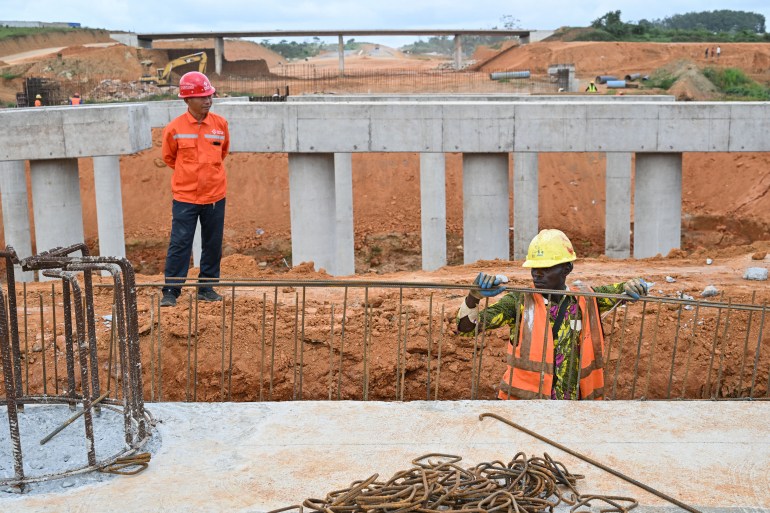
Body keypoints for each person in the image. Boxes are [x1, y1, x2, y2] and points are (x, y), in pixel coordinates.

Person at [456, 229, 648, 400]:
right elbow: (466, 328)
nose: (537, 274)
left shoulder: (586, 298)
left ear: (567, 269)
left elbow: (620, 289)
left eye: (546, 268)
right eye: (534, 268)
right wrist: (473, 297)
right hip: (524, 408)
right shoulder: (519, 302)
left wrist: (633, 286)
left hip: (573, 407)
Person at [160, 71, 230, 307]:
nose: (208, 100)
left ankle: (206, 288)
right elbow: (169, 157)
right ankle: (171, 291)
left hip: (214, 196)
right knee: (180, 243)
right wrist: (189, 175)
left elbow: (222, 152)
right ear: (187, 100)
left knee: (212, 243)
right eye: (202, 97)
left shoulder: (220, 125)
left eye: (209, 95)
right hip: (186, 196)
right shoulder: (174, 128)